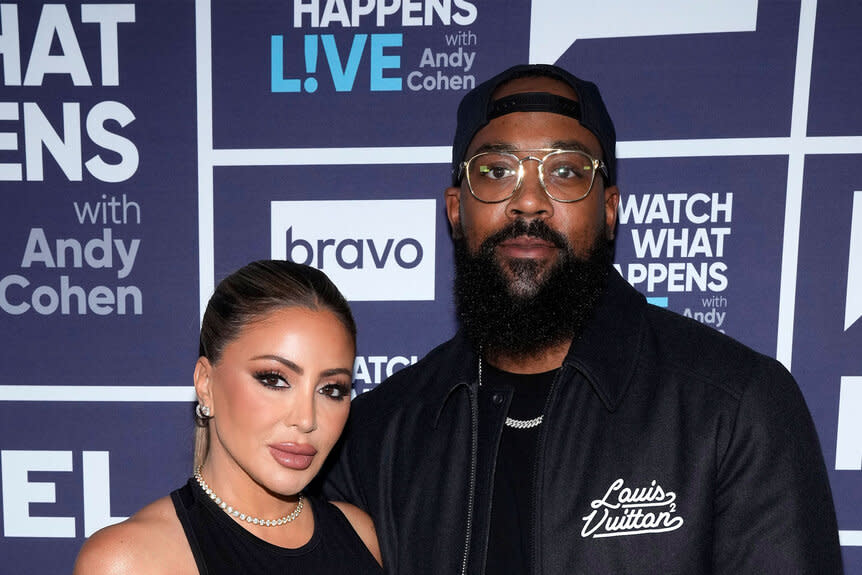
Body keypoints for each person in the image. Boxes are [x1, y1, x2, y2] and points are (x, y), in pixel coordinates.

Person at [321, 64, 843, 573]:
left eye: (565, 171)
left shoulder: (735, 405)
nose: (529, 202)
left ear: (610, 209)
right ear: (456, 209)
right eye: (497, 171)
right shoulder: (378, 434)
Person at [74, 260, 382, 575]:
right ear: (206, 384)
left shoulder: (362, 536)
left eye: (331, 389)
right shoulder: (131, 562)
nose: (306, 420)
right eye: (274, 379)